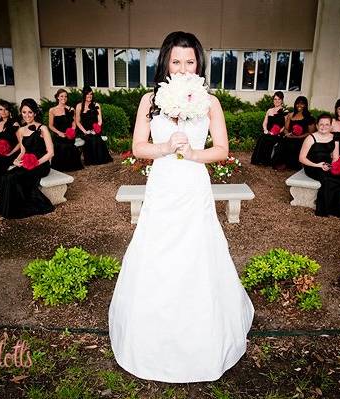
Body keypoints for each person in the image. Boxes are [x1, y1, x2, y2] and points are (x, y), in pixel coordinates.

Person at [108, 31, 254, 383]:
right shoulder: (149, 100)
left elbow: (221, 149)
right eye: (177, 61)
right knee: (156, 251)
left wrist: (191, 154)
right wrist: (164, 149)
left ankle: (202, 337)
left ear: (199, 64)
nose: (184, 67)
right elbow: (139, 146)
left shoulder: (210, 102)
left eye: (190, 61)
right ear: (165, 63)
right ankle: (150, 339)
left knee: (196, 252)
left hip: (192, 184)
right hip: (162, 185)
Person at [0, 98, 55, 219]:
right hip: (27, 162)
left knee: (15, 177)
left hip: (41, 164)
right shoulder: (20, 130)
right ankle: (7, 210)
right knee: (6, 176)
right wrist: (16, 160)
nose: (27, 115)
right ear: (21, 113)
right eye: (24, 112)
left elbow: (50, 153)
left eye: (30, 112)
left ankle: (18, 209)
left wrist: (36, 162)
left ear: (35, 113)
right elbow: (23, 151)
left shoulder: (42, 128)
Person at [299, 113, 340, 217]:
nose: (324, 127)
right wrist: (318, 165)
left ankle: (334, 205)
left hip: (326, 165)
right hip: (312, 166)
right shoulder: (310, 138)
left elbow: (335, 158)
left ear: (331, 126)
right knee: (327, 179)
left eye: (327, 124)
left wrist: (332, 167)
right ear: (317, 125)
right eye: (321, 124)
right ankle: (324, 209)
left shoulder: (334, 138)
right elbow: (302, 158)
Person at [75, 86, 113, 165]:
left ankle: (100, 160)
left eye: (91, 94)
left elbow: (100, 121)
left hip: (95, 129)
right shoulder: (79, 106)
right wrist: (85, 131)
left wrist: (95, 130)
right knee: (90, 139)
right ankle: (91, 160)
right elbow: (77, 122)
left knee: (97, 139)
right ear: (84, 95)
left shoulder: (96, 105)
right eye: (87, 94)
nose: (89, 96)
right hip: (84, 130)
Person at [48, 89, 84, 172]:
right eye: (61, 96)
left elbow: (74, 123)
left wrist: (72, 130)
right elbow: (50, 125)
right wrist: (59, 133)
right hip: (58, 135)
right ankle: (61, 167)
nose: (64, 98)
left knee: (69, 146)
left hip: (69, 134)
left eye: (65, 96)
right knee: (61, 146)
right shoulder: (52, 110)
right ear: (57, 97)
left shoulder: (71, 109)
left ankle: (70, 166)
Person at [250, 91, 287, 167]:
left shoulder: (285, 111)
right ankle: (258, 160)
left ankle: (266, 161)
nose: (277, 101)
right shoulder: (269, 110)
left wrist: (278, 132)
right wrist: (265, 130)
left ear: (282, 100)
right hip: (268, 132)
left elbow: (285, 126)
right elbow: (264, 123)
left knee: (268, 139)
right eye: (275, 99)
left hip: (278, 134)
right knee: (262, 137)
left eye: (279, 99)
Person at [281, 96, 316, 170]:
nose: (299, 105)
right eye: (297, 103)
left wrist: (298, 137)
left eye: (302, 104)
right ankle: (284, 163)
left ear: (305, 105)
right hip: (291, 136)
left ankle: (293, 165)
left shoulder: (309, 117)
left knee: (294, 144)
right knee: (283, 142)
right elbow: (286, 129)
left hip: (303, 138)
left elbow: (311, 133)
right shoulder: (291, 115)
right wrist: (287, 134)